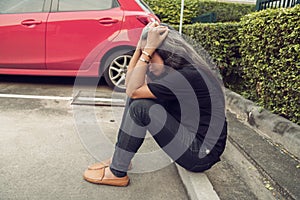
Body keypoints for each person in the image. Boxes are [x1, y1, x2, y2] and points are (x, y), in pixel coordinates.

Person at [83, 22, 227, 187]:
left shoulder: (188, 75)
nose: (148, 64)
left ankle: (117, 171)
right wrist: (140, 48)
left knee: (140, 108)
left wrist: (147, 50)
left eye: (151, 56)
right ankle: (120, 159)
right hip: (190, 139)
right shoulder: (171, 71)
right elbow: (130, 86)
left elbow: (132, 90)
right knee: (137, 98)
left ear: (167, 53)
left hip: (200, 154)